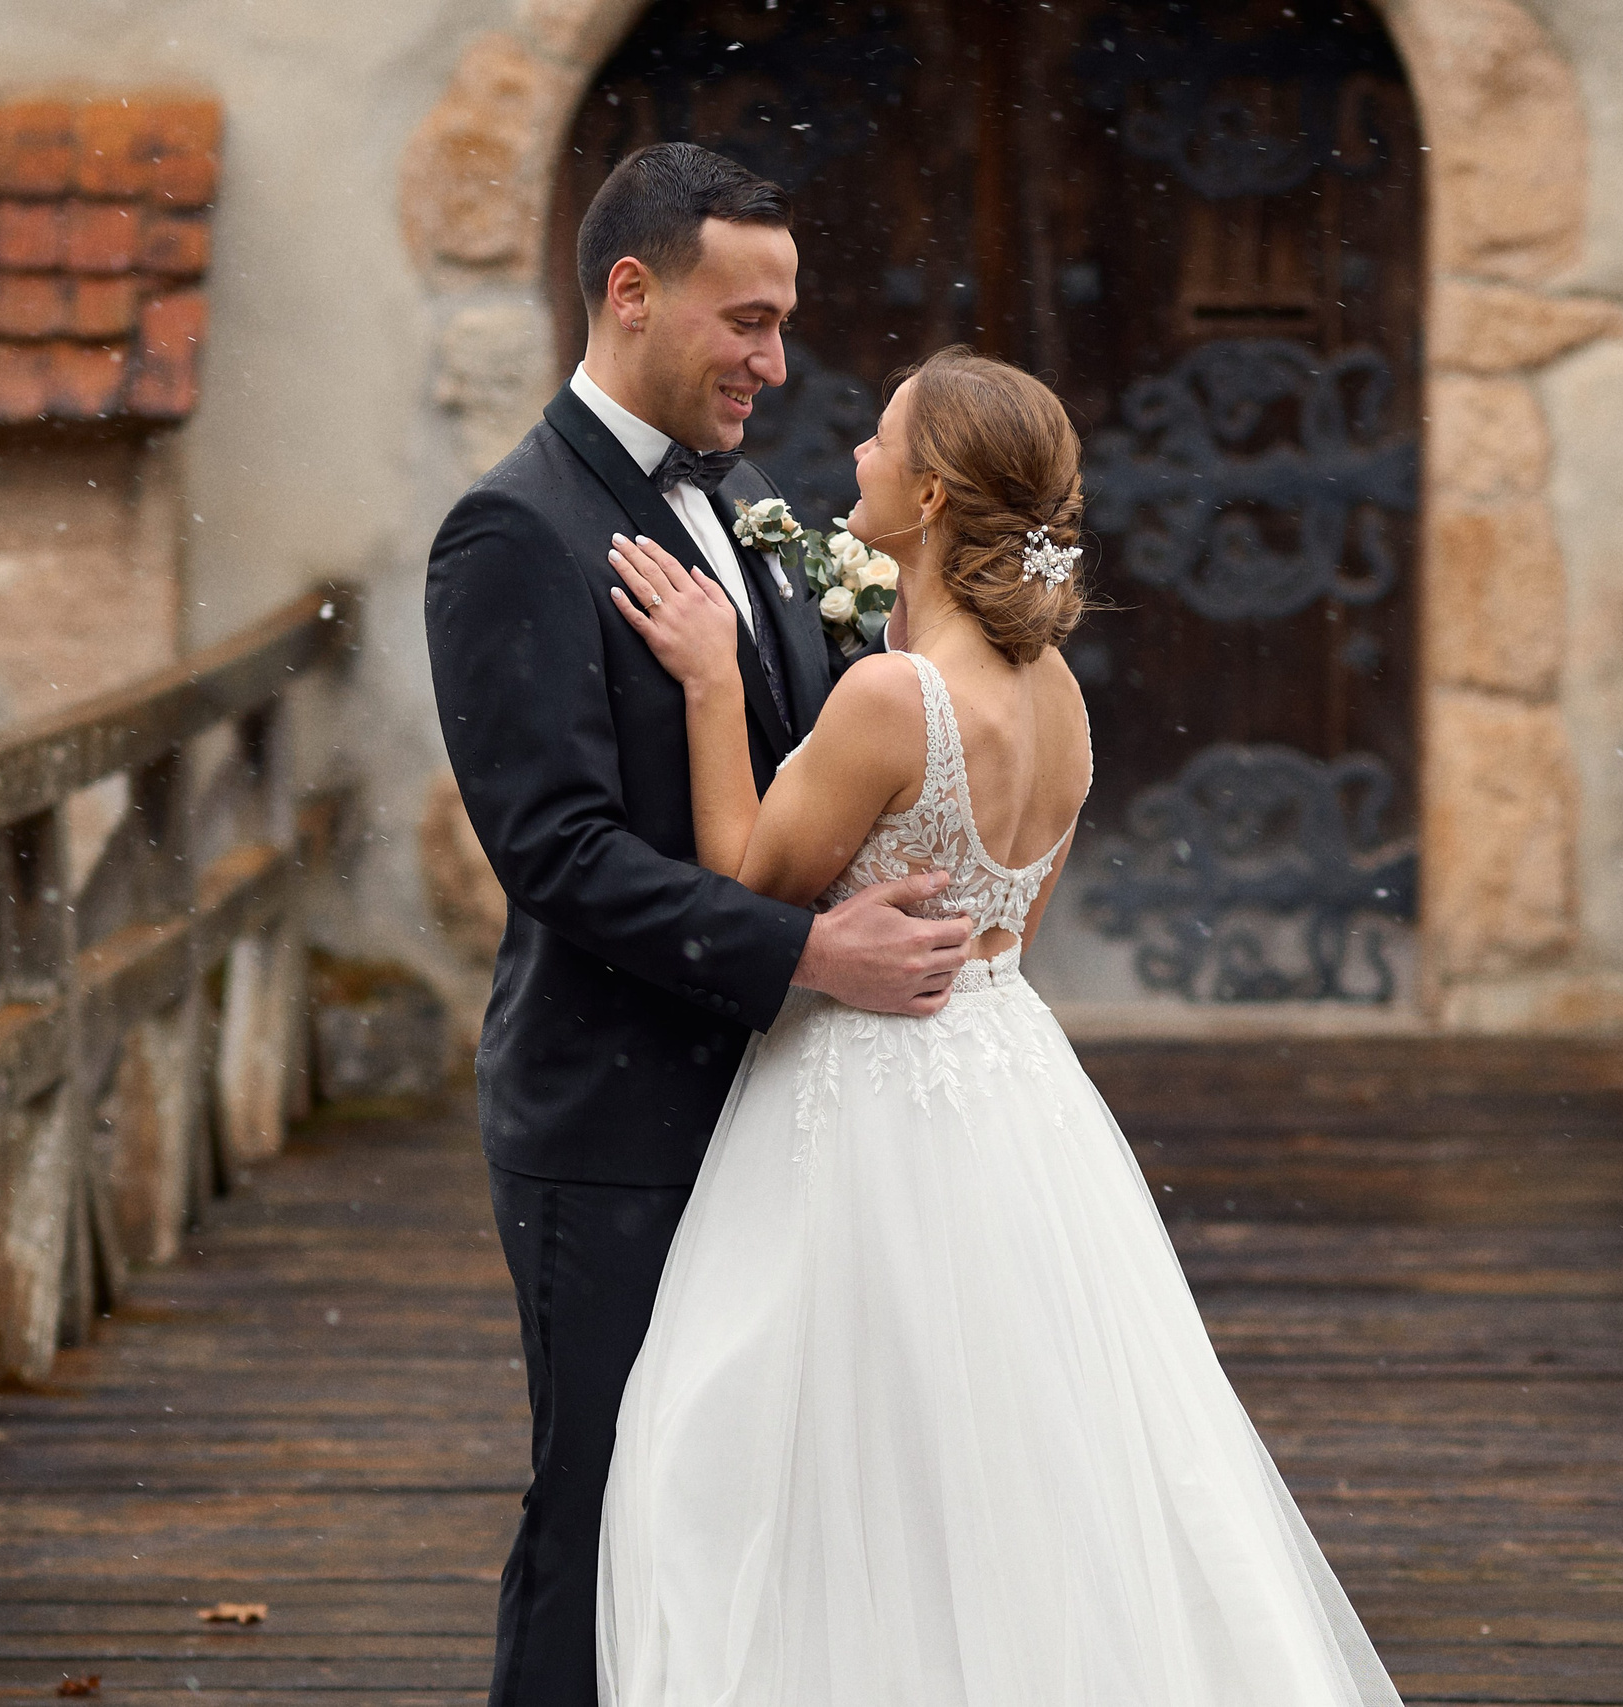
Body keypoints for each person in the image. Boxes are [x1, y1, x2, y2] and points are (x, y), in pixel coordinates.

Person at [592, 346, 1404, 1707]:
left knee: (792, 1457)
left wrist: (715, 684)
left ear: (929, 498)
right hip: (1014, 1092)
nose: (854, 453)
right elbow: (1003, 943)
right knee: (1025, 1453)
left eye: (879, 438)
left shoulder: (887, 700)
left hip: (861, 1096)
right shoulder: (1061, 704)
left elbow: (742, 885)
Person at [423, 143, 975, 1707]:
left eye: (785, 321)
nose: (774, 361)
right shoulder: (511, 533)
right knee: (601, 1506)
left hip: (788, 1116)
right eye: (746, 320)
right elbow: (560, 856)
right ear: (629, 292)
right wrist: (810, 957)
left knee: (755, 1512)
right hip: (616, 1115)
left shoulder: (750, 509)